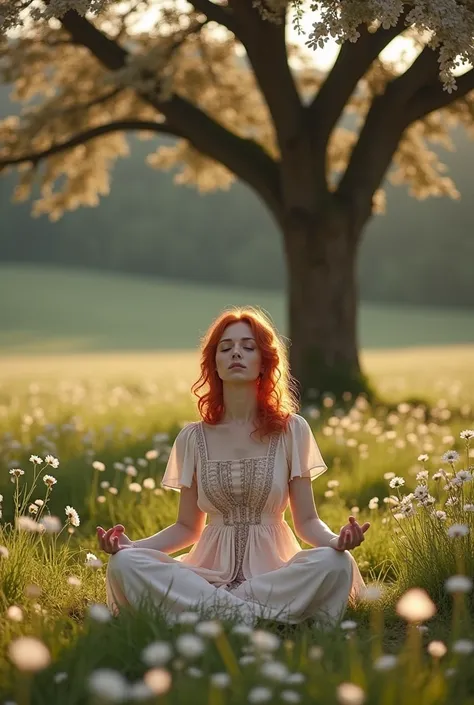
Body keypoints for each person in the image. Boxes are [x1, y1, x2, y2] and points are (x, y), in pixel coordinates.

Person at [99, 307, 370, 628]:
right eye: (225, 348)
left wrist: (335, 541)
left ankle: (215, 613)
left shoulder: (291, 430)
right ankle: (250, 613)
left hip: (274, 576)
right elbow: (187, 527)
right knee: (123, 564)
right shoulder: (192, 438)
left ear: (264, 362)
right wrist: (131, 547)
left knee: (336, 563)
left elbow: (307, 521)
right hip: (205, 577)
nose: (236, 353)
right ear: (214, 363)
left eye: (248, 346)